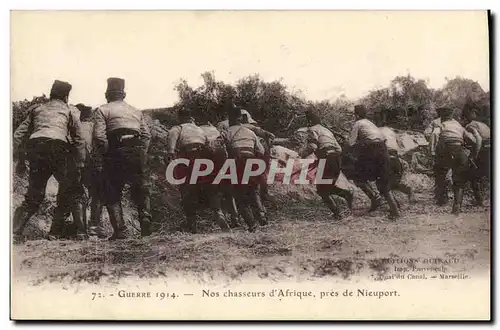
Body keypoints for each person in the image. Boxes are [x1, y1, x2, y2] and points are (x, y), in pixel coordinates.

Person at [12, 80, 87, 243]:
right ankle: (78, 233)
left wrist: (18, 158)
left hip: (36, 147)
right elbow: (79, 139)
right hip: (59, 147)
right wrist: (80, 163)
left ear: (51, 94)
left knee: (34, 195)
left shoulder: (37, 109)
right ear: (66, 96)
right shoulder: (70, 110)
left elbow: (18, 134)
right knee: (73, 191)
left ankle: (15, 232)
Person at [93, 77, 152, 239]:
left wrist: (106, 154)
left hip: (116, 150)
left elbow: (99, 136)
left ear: (107, 94)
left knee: (112, 190)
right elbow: (146, 135)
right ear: (123, 94)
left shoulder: (102, 110)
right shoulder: (136, 111)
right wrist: (142, 153)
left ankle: (121, 230)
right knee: (141, 188)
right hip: (137, 149)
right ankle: (145, 219)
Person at [166, 109, 230, 233]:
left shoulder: (178, 128)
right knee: (210, 187)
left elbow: (171, 145)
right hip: (203, 157)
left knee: (187, 191)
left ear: (180, 118)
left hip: (187, 157)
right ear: (191, 118)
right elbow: (209, 146)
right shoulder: (199, 129)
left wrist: (171, 154)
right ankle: (218, 212)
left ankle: (192, 225)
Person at [347, 104, 400, 219]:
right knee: (382, 182)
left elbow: (351, 143)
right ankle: (395, 210)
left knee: (358, 178)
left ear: (356, 115)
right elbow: (382, 139)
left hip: (373, 151)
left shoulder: (358, 123)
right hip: (383, 149)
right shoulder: (371, 124)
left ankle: (374, 197)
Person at [300, 110, 353, 220]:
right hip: (336, 158)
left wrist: (301, 155)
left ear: (309, 121)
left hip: (326, 158)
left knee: (322, 190)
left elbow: (312, 146)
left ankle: (337, 214)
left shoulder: (312, 129)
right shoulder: (327, 131)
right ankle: (346, 194)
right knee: (328, 185)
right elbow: (339, 148)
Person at [222, 107, 267, 232]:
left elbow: (217, 147)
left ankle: (252, 225)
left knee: (240, 196)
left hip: (238, 162)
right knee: (253, 191)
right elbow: (261, 150)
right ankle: (261, 216)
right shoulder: (250, 132)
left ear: (229, 118)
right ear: (241, 118)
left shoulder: (227, 131)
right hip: (252, 161)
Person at [433, 107, 479, 214]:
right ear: (452, 116)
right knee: (459, 179)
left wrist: (432, 150)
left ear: (442, 116)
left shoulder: (440, 125)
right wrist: (471, 153)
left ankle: (442, 199)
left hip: (445, 149)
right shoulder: (459, 126)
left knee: (440, 173)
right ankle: (457, 206)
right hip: (459, 150)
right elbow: (473, 140)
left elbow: (434, 135)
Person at [74, 103, 106, 238]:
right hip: (92, 164)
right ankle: (95, 225)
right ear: (90, 115)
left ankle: (81, 230)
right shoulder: (94, 127)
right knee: (97, 194)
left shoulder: (74, 127)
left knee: (77, 195)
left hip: (76, 163)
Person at [379, 125, 416, 204]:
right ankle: (407, 191)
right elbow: (401, 146)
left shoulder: (377, 132)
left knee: (383, 183)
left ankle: (393, 205)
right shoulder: (392, 133)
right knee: (393, 182)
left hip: (386, 158)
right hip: (396, 159)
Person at [463, 107, 490, 206]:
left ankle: (479, 201)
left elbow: (478, 139)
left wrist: (474, 156)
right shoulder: (484, 125)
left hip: (484, 151)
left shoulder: (470, 125)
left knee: (473, 176)